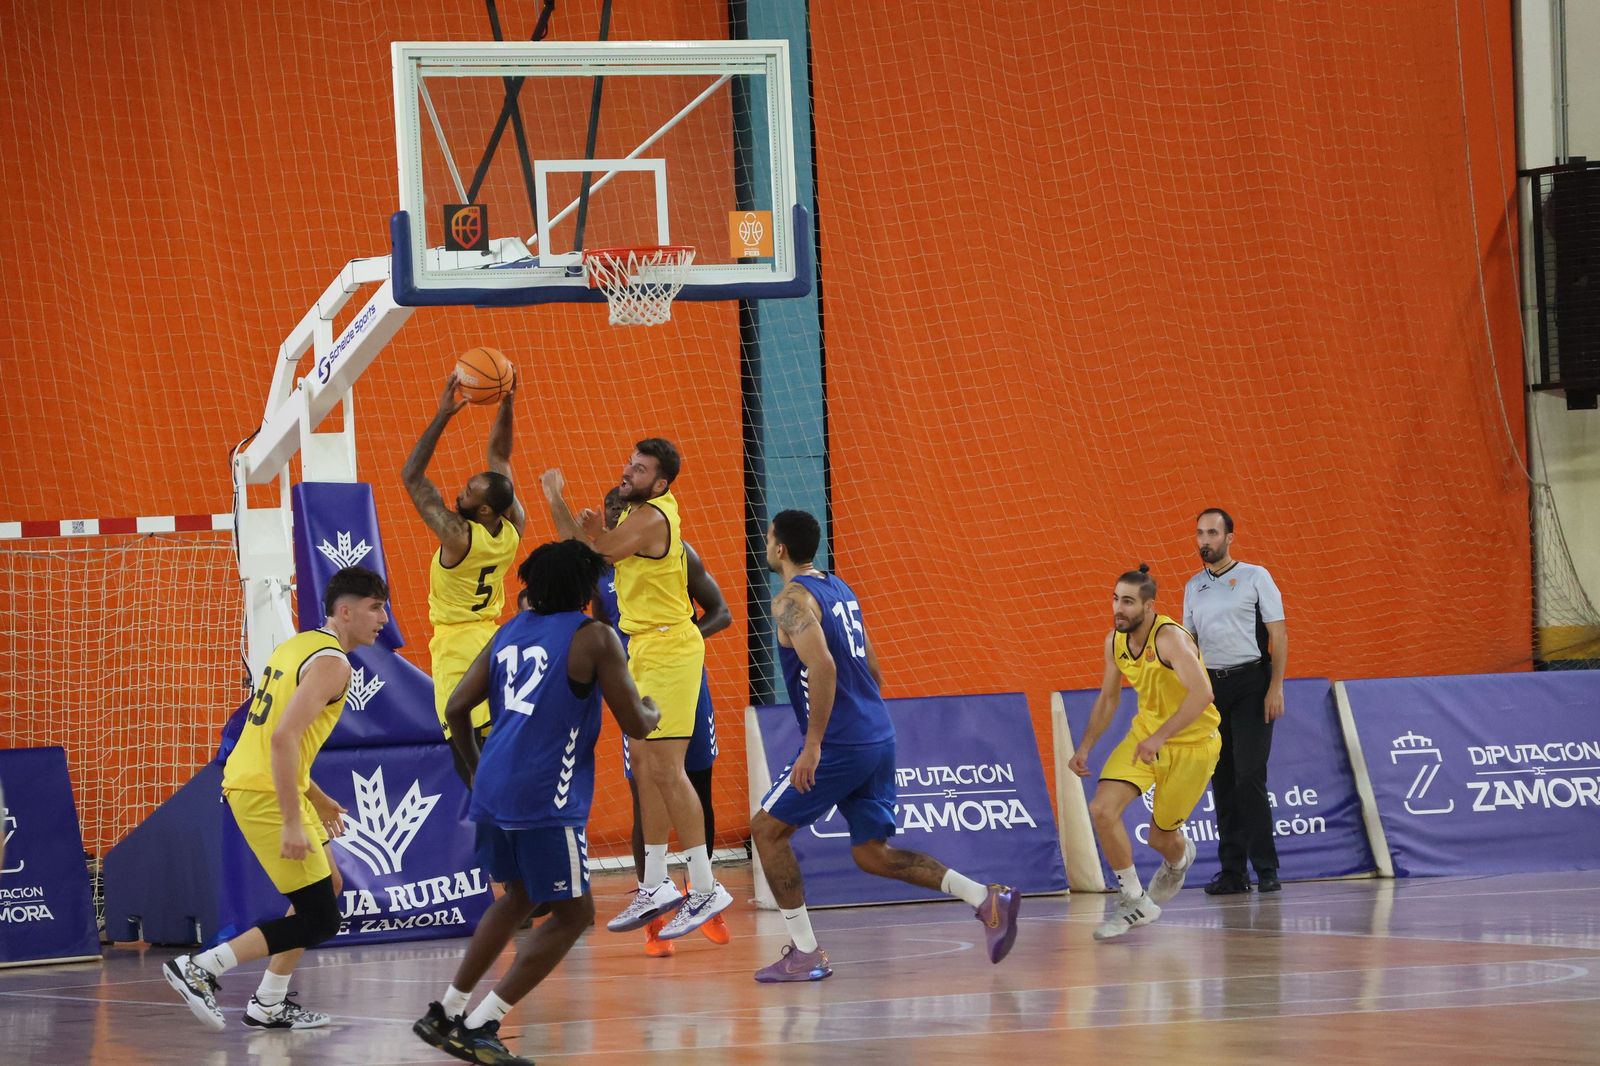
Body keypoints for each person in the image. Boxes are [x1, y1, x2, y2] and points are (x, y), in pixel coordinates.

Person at [412, 540, 659, 1066]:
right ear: (586, 587)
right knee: (574, 916)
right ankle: (481, 1025)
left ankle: (446, 1011)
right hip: (545, 795)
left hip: (494, 784)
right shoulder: (594, 637)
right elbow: (636, 722)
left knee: (518, 897)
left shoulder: (510, 630)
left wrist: (478, 768)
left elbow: (457, 707)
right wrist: (654, 709)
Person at [749, 510, 1020, 982]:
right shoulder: (840, 588)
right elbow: (872, 665)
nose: (766, 543)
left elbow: (825, 668)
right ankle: (985, 898)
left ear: (780, 550)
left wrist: (814, 744)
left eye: (769, 537)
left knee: (767, 831)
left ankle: (806, 952)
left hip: (841, 740)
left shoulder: (790, 601)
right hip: (877, 731)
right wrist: (867, 717)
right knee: (871, 853)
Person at [164, 566, 390, 1030]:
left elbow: (277, 735)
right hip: (266, 792)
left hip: (268, 782)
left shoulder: (299, 646)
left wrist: (317, 797)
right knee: (320, 919)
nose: (383, 618)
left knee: (328, 886)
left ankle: (268, 1003)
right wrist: (291, 818)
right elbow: (283, 738)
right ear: (344, 612)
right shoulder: (334, 664)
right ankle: (201, 967)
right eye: (374, 607)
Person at [540, 439, 729, 941]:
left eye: (640, 468)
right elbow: (582, 557)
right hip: (642, 649)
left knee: (668, 769)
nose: (629, 470)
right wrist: (581, 527)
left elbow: (591, 552)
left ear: (661, 483)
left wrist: (557, 499)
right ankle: (655, 884)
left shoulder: (654, 517)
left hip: (670, 647)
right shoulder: (633, 521)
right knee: (646, 768)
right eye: (630, 462)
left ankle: (707, 888)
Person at [591, 487, 732, 957]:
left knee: (693, 780)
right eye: (610, 512)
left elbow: (721, 612)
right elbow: (601, 631)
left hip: (680, 672)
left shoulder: (676, 549)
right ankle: (653, 896)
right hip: (640, 675)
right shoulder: (603, 566)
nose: (616, 518)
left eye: (622, 511)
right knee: (646, 783)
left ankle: (703, 890)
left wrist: (678, 638)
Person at [1069, 564, 1221, 941]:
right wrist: (1085, 746)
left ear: (1149, 606)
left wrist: (1161, 737)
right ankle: (1134, 898)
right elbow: (1108, 697)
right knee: (1102, 809)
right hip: (1145, 737)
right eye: (1116, 600)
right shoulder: (1115, 642)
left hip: (1192, 746)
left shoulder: (1169, 639)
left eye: (1128, 602)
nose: (1119, 609)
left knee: (1160, 838)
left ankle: (1180, 857)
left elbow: (1203, 695)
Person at [402, 371, 525, 786]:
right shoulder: (513, 527)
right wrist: (506, 403)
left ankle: (492, 844)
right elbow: (500, 457)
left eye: (470, 493)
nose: (461, 493)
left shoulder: (457, 537)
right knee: (500, 763)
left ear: (486, 510)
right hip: (493, 642)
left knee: (472, 770)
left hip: (458, 652)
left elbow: (413, 478)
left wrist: (442, 416)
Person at [1183, 508, 1289, 895]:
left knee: (1248, 777)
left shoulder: (1255, 577)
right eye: (1199, 534)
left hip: (1252, 683)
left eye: (1212, 533)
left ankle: (1266, 868)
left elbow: (1278, 633)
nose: (1204, 541)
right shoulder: (1193, 586)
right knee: (1222, 779)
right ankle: (1232, 872)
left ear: (1230, 537)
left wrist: (1275, 687)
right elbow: (1189, 646)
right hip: (1212, 688)